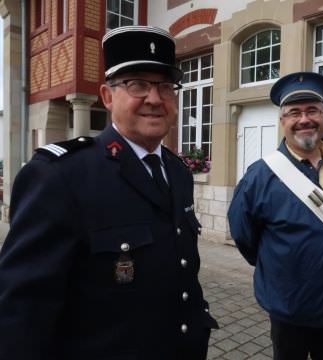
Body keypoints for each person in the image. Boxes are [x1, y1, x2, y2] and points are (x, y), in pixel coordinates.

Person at [0, 25, 217, 359]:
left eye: (165, 86)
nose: (155, 99)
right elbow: (22, 313)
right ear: (107, 96)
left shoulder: (177, 171)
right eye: (138, 85)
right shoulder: (60, 176)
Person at [227, 72, 323, 360]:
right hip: (290, 307)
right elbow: (243, 233)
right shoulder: (261, 176)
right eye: (294, 112)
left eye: (312, 110)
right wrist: (280, 266)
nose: (305, 119)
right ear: (283, 122)